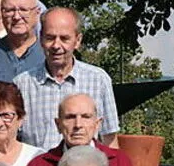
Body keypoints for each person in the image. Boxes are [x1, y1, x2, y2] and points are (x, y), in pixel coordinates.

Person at [15, 8, 119, 151]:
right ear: (41, 39)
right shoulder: (22, 84)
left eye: (64, 38)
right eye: (50, 38)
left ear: (77, 41)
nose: (56, 46)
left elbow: (110, 139)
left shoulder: (98, 80)